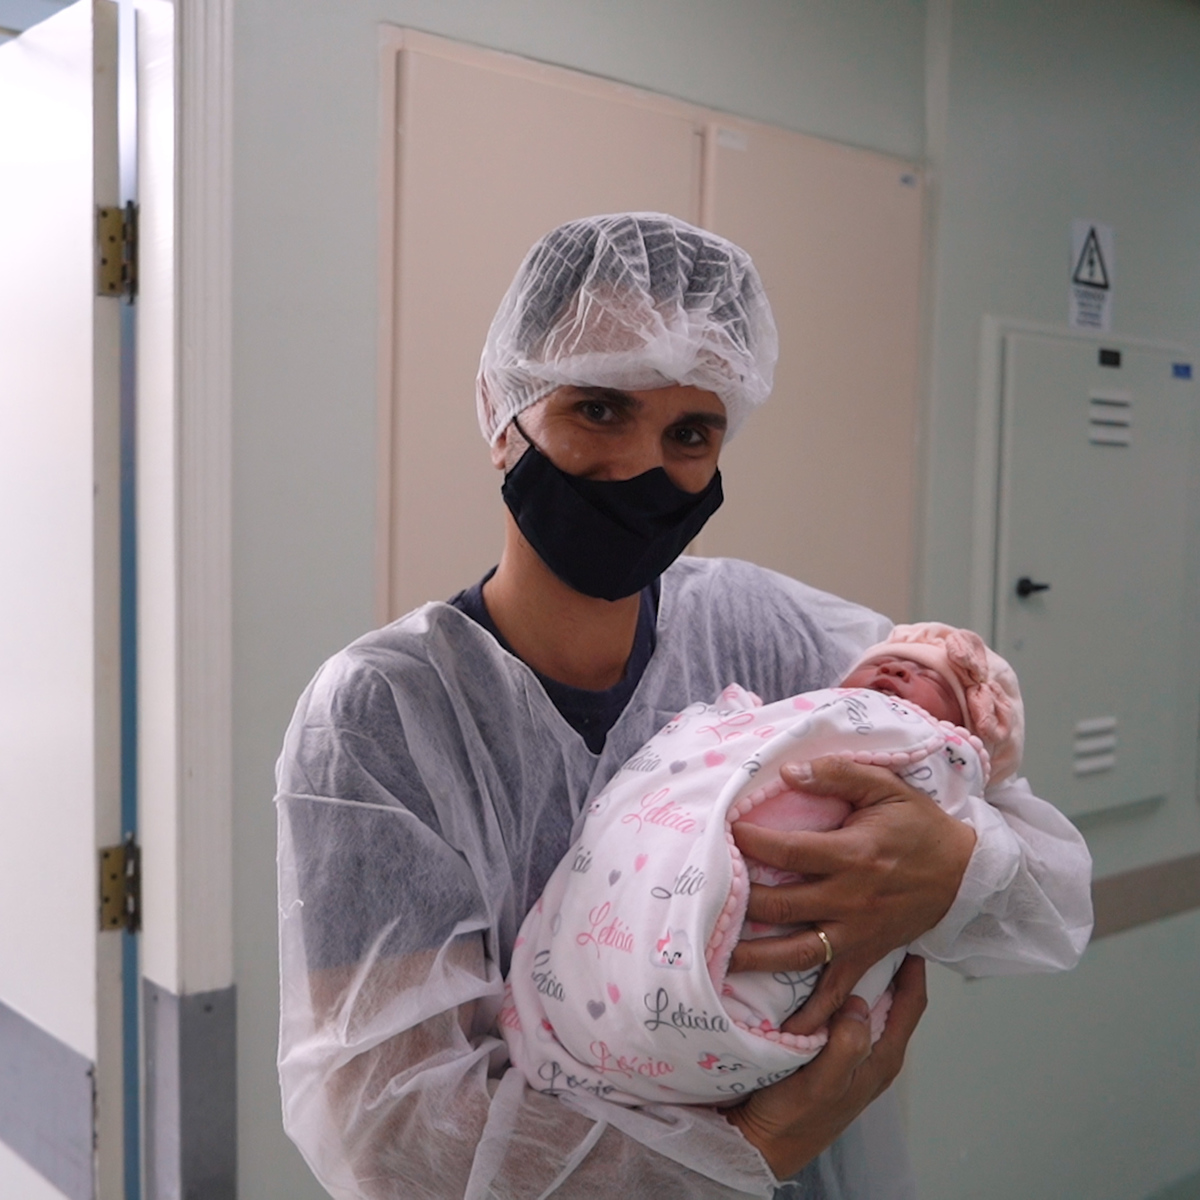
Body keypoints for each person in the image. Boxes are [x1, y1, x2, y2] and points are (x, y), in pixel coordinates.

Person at [275, 213, 1093, 1199]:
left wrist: (956, 869)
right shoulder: (384, 717)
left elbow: (1049, 900)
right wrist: (749, 1150)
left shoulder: (769, 634)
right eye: (599, 410)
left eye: (690, 433)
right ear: (503, 412)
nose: (639, 466)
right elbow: (395, 1138)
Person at [499, 623, 1080, 1108]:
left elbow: (1056, 899)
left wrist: (960, 860)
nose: (897, 671)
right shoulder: (782, 705)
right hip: (629, 922)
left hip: (740, 986)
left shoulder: (930, 750)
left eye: (932, 679)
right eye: (887, 661)